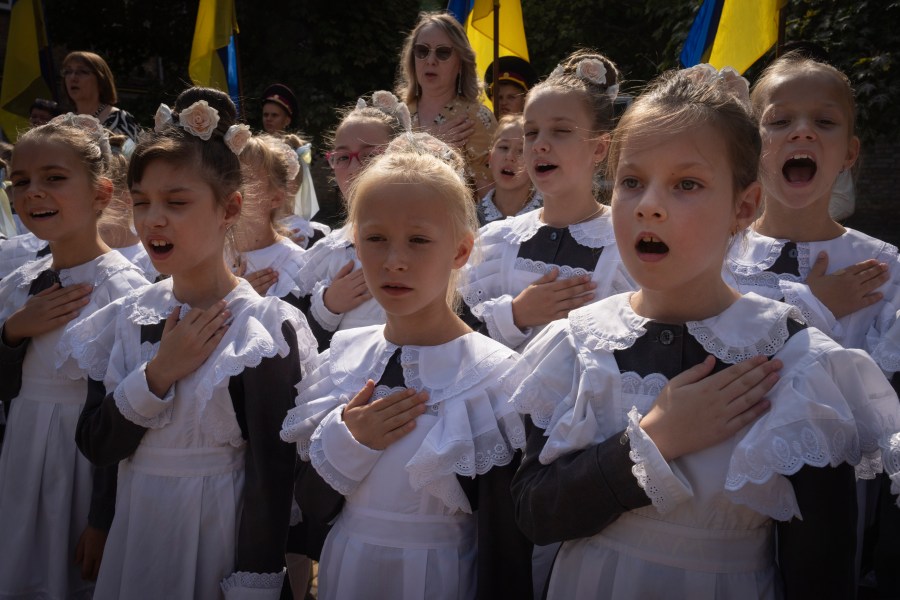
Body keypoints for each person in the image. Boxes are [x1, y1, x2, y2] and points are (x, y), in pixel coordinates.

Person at [509, 64, 900, 600]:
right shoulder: (578, 343)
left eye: (686, 183)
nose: (648, 204)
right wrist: (654, 440)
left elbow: (821, 569)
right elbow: (535, 513)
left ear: (744, 206)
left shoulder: (794, 361)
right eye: (631, 181)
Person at [66, 87, 317, 599]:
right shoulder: (127, 317)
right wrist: (158, 374)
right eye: (141, 203)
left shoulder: (263, 330)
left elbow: (271, 477)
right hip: (139, 537)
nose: (153, 219)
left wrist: (255, 583)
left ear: (230, 208)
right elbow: (98, 444)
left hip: (216, 538)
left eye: (177, 203)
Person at [281, 139, 532, 600]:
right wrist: (349, 441)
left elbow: (506, 543)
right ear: (355, 241)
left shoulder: (495, 377)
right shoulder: (340, 359)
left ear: (459, 252)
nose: (394, 260)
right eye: (376, 238)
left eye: (418, 240)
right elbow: (311, 504)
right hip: (348, 571)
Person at [726, 51, 900, 596]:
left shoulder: (885, 267)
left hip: (835, 499)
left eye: (823, 122)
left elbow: (876, 399)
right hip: (726, 489)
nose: (802, 132)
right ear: (754, 145)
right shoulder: (717, 252)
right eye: (780, 120)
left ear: (849, 152)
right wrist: (812, 304)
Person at [0, 113, 148, 598]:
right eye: (20, 181)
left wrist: (103, 518)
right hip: (20, 458)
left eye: (54, 178)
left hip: (81, 465)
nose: (33, 192)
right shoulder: (16, 285)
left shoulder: (125, 292)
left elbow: (121, 414)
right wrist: (12, 334)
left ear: (101, 194)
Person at [459, 50, 634, 352]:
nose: (540, 145)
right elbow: (452, 341)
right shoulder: (494, 243)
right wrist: (514, 315)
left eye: (561, 131)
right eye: (531, 132)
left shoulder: (626, 244)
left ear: (599, 147)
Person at [291, 91, 410, 350]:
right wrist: (328, 306)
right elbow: (300, 351)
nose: (355, 169)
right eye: (343, 157)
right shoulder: (324, 253)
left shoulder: (430, 243)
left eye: (369, 156)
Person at [397, 11, 496, 197]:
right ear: (412, 58)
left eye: (443, 53)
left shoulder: (476, 118)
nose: (430, 60)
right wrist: (433, 144)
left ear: (460, 63)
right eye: (422, 51)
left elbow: (491, 201)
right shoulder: (396, 115)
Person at [231, 133, 308, 302]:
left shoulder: (295, 263)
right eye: (228, 176)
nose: (232, 187)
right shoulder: (210, 253)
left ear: (276, 198)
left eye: (245, 179)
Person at [477, 114, 541, 226]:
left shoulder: (550, 216)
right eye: (503, 147)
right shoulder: (470, 219)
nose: (510, 156)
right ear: (490, 157)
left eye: (521, 150)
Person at [62, 51, 140, 141]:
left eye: (82, 71)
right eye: (68, 72)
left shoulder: (121, 121)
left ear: (101, 80)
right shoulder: (62, 125)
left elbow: (136, 154)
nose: (72, 77)